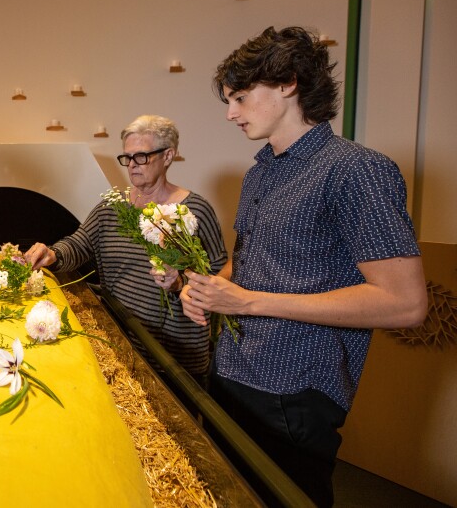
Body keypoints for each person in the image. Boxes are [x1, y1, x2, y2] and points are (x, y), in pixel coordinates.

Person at [181, 26, 427, 507]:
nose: (231, 113)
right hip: (233, 365)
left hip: (293, 388)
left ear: (288, 83)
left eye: (241, 97)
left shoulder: (355, 168)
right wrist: (212, 287)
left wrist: (248, 301)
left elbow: (405, 303)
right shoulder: (260, 172)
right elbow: (254, 263)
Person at [26, 115, 227, 382]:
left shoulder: (195, 210)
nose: (132, 166)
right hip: (124, 344)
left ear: (168, 156)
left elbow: (220, 272)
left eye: (141, 157)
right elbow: (78, 244)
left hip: (178, 356)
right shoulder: (113, 207)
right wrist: (52, 254)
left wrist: (181, 281)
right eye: (127, 157)